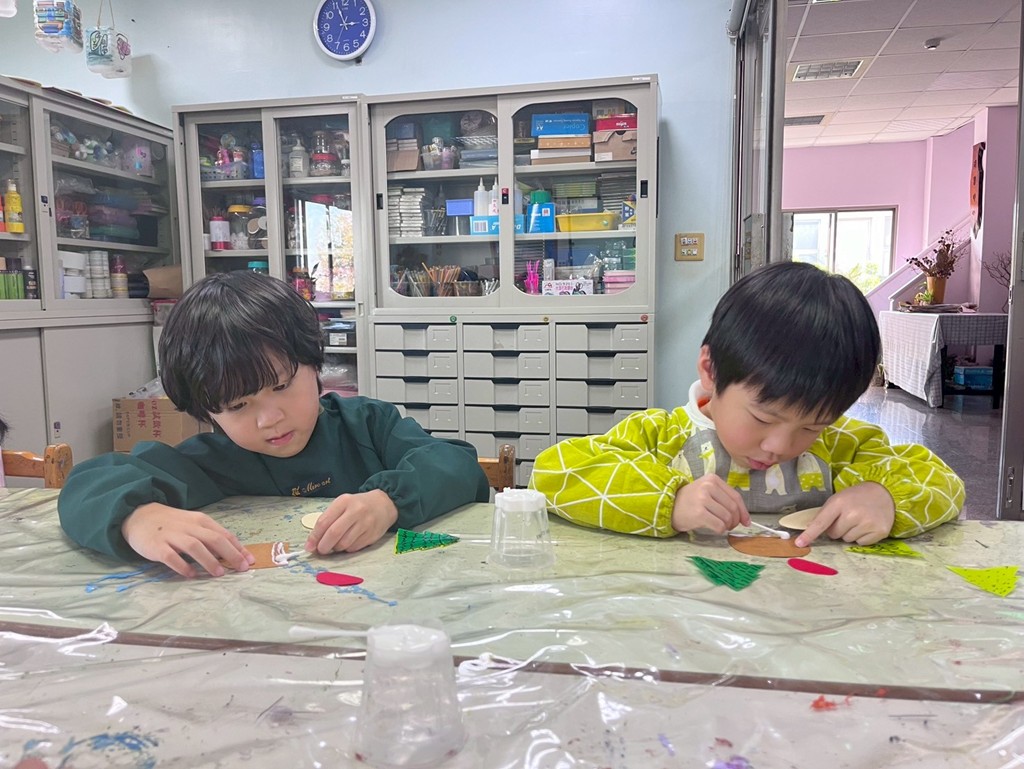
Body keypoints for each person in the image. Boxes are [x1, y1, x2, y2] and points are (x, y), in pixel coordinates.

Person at [58, 271, 489, 578]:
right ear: (207, 412)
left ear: (315, 364)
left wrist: (387, 502)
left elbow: (458, 466)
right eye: (237, 405)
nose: (270, 418)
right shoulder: (208, 463)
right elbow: (88, 484)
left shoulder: (367, 426)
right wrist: (139, 518)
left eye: (282, 386)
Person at [530, 262, 964, 547]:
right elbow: (553, 474)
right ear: (711, 370)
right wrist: (672, 501)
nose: (779, 446)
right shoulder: (660, 437)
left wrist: (886, 497)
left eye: (811, 426)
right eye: (762, 417)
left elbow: (944, 482)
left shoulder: (842, 445)